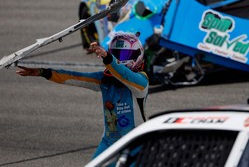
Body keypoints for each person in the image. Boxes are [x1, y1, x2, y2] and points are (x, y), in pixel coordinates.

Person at [16, 32, 149, 159]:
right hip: (109, 142)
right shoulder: (104, 79)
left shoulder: (141, 81)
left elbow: (124, 75)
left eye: (125, 54)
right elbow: (74, 77)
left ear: (138, 55)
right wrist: (42, 72)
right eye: (116, 54)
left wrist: (108, 57)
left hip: (135, 143)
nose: (120, 58)